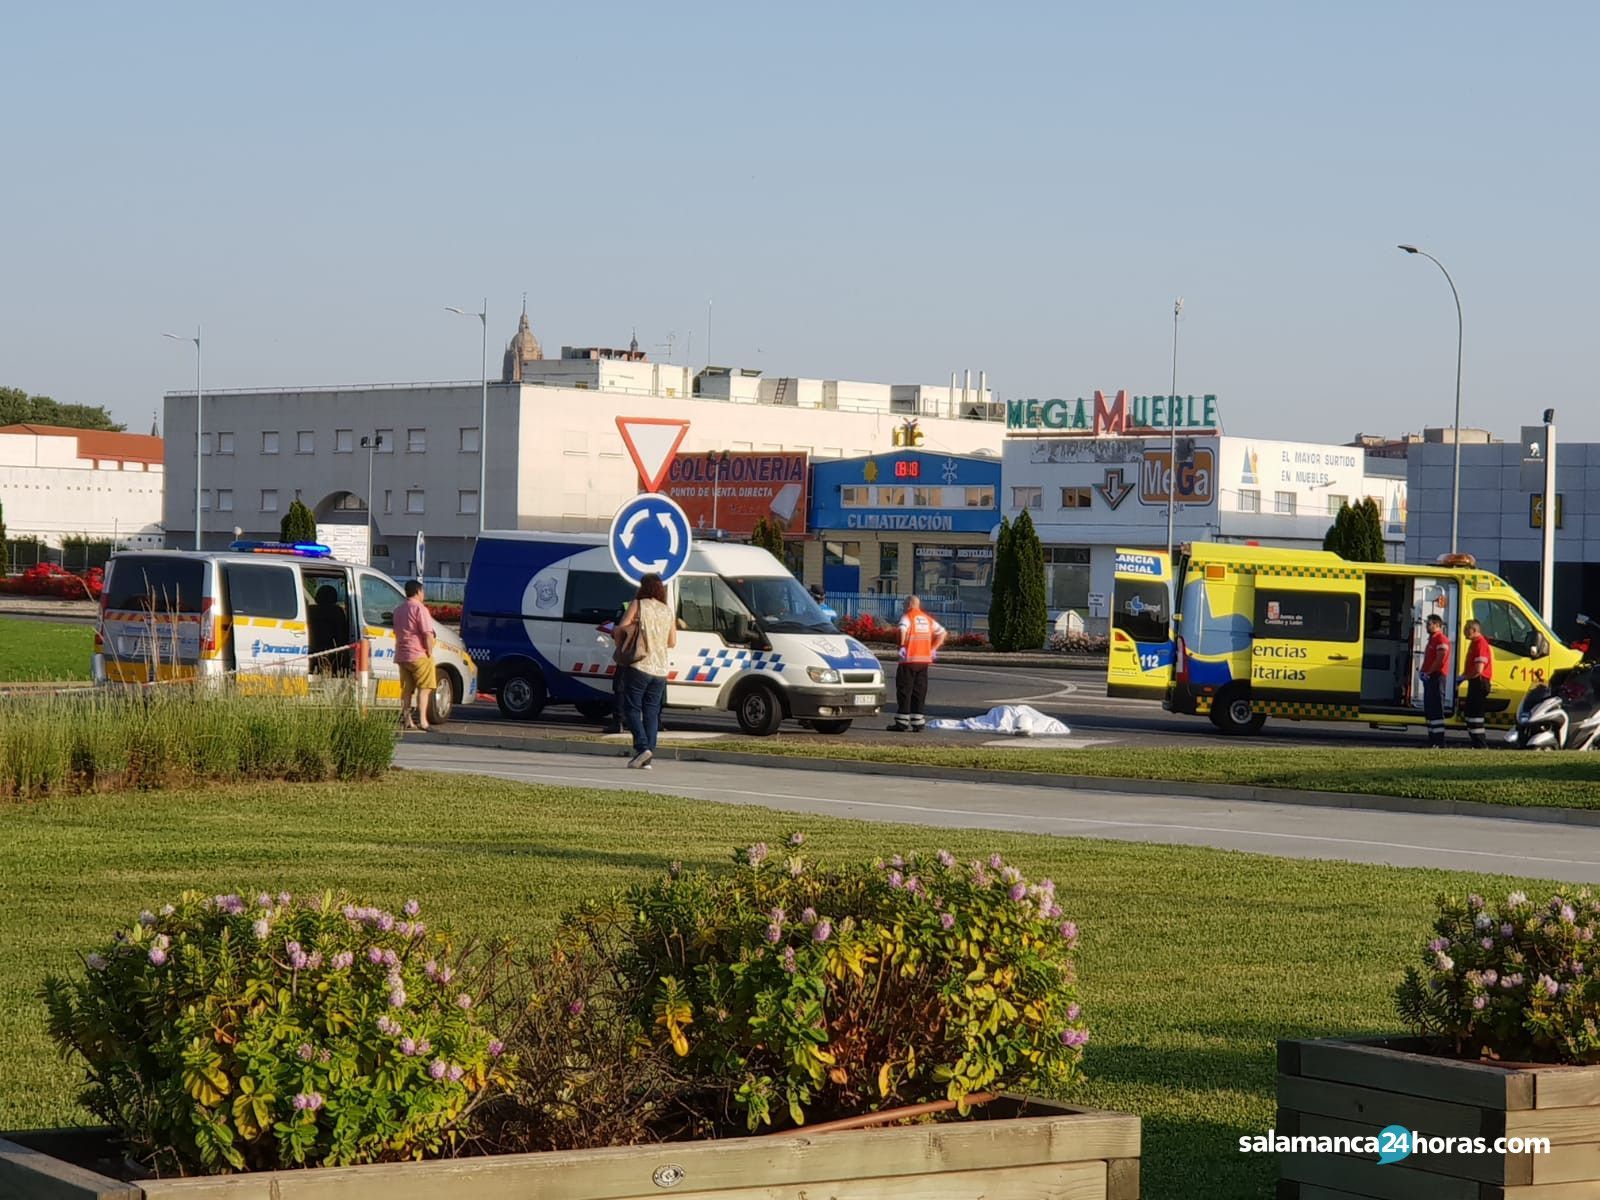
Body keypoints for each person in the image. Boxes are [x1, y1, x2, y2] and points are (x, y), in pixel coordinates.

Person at [616, 573, 676, 768]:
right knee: (651, 711)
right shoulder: (667, 611)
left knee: (631, 708)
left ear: (643, 587)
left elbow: (621, 628)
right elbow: (672, 641)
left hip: (640, 664)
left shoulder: (638, 604)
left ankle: (642, 748)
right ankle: (648, 756)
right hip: (661, 669)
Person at [889, 594, 946, 732]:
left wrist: (902, 646)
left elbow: (902, 629)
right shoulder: (927, 619)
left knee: (904, 690)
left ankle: (902, 721)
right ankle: (918, 722)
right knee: (919, 691)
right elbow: (942, 632)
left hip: (908, 660)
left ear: (909, 605)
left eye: (904, 605)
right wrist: (933, 648)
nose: (903, 607)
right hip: (923, 660)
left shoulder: (907, 617)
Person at [393, 580, 438, 732]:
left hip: (402, 654)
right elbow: (427, 633)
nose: (423, 594)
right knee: (425, 688)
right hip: (418, 653)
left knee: (407, 689)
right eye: (423, 591)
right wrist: (429, 652)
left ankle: (407, 720)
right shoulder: (420, 609)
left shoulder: (399, 610)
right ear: (418, 592)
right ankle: (423, 721)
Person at [1461, 617, 1494, 749]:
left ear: (1474, 630)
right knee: (1470, 713)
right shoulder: (1475, 643)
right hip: (1475, 681)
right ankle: (1476, 743)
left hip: (1479, 682)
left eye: (1466, 629)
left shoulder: (1480, 644)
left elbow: (1478, 669)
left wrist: (1463, 678)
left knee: (1475, 715)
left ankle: (1480, 744)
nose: (1464, 632)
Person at [1419, 612, 1451, 748]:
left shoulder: (1441, 640)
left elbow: (1440, 659)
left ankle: (1439, 742)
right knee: (1430, 710)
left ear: (1437, 625)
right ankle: (1432, 741)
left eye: (1429, 624)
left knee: (1436, 709)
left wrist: (1429, 672)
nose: (1427, 626)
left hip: (1437, 677)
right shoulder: (1432, 640)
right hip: (1430, 677)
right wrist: (1423, 671)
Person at [308, 584, 351, 676]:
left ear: (317, 597)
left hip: (312, 650)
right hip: (332, 653)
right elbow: (342, 635)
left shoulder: (310, 611)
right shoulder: (337, 612)